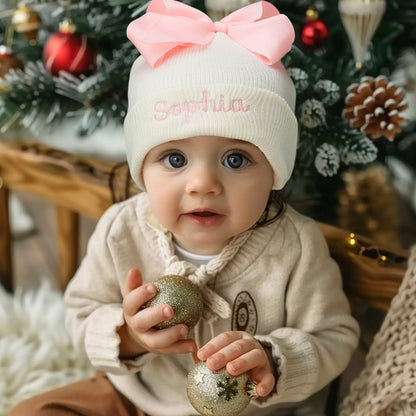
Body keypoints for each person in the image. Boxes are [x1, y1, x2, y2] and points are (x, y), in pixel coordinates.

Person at [10, 0, 359, 415]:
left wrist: (273, 357)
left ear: (274, 172)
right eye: (175, 159)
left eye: (236, 159)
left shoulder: (294, 246)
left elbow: (334, 335)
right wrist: (127, 337)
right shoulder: (122, 229)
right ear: (142, 168)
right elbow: (80, 311)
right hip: (136, 396)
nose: (203, 184)